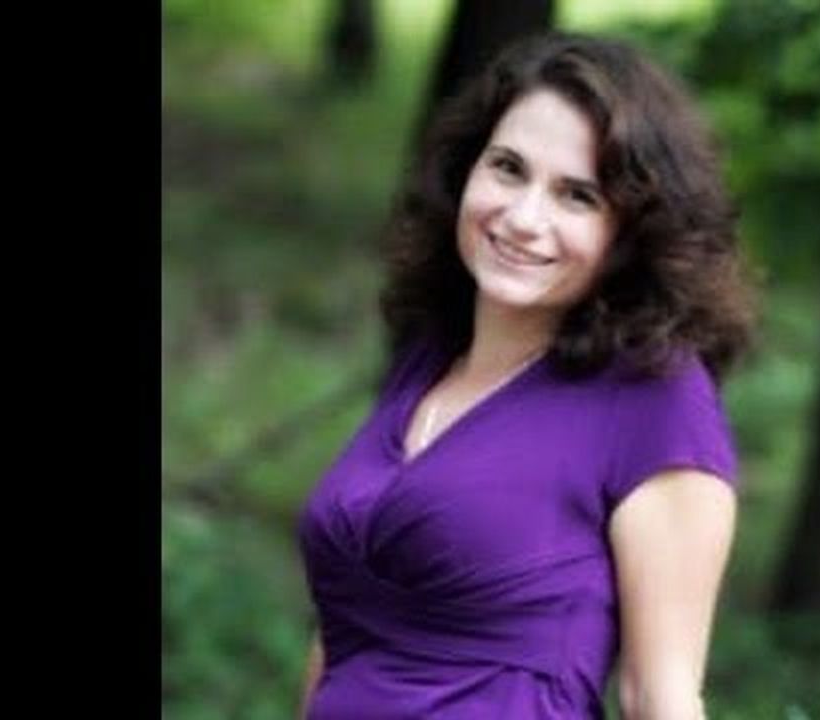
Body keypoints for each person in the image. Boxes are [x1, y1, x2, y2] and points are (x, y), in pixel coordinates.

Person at [296, 30, 758, 719]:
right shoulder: (430, 357)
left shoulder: (656, 399)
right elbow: (343, 638)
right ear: (467, 170)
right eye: (508, 168)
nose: (522, 218)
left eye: (577, 195)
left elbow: (659, 697)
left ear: (633, 230)